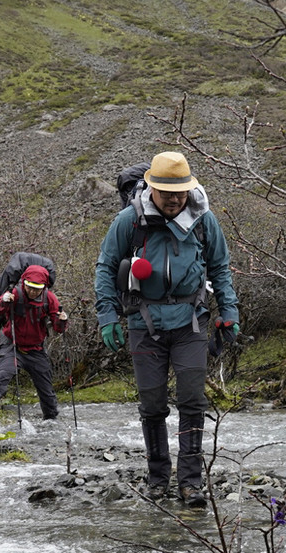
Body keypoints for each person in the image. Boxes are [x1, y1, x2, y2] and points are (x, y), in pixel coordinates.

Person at [94, 151, 239, 508]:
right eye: (166, 192)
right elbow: (105, 268)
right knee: (152, 404)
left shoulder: (204, 220)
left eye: (180, 192)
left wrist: (230, 311)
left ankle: (190, 482)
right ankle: (158, 478)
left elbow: (220, 268)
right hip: (144, 323)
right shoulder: (128, 221)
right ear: (151, 188)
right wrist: (108, 316)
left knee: (193, 401)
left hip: (191, 322)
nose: (174, 199)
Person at [0, 264, 68, 422]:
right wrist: (3, 303)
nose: (33, 292)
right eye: (29, 287)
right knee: (2, 377)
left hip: (36, 349)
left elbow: (58, 328)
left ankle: (51, 420)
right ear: (23, 283)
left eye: (37, 288)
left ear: (44, 287)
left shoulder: (49, 298)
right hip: (12, 346)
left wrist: (62, 321)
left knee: (46, 388)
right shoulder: (14, 294)